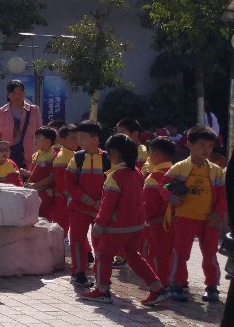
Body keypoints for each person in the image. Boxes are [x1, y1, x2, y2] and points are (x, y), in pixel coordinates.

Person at [79, 134, 170, 305]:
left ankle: (102, 290)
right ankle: (157, 288)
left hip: (116, 227)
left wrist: (99, 224)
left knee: (103, 255)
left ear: (114, 153)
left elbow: (108, 205)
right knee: (133, 256)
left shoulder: (114, 176)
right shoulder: (137, 173)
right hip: (135, 225)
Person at [167, 126, 229, 303]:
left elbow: (223, 196)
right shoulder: (179, 168)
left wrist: (218, 213)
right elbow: (164, 185)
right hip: (184, 217)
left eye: (209, 146)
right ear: (189, 145)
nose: (206, 150)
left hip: (209, 220)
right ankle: (177, 285)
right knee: (181, 253)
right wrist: (170, 196)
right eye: (202, 145)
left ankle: (212, 287)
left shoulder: (216, 171)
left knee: (210, 254)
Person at [63, 121, 107, 287]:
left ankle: (101, 274)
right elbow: (70, 183)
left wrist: (102, 201)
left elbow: (113, 183)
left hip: (101, 209)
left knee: (100, 243)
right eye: (77, 137)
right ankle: (78, 273)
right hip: (79, 207)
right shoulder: (77, 158)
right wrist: (85, 199)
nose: (79, 141)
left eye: (82, 137)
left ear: (95, 139)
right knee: (77, 240)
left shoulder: (108, 159)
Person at [142, 136, 178, 292]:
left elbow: (148, 205)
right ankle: (172, 282)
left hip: (157, 224)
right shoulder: (178, 174)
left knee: (156, 255)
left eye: (150, 153)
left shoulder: (153, 178)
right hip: (176, 221)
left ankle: (161, 286)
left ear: (156, 155)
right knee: (171, 254)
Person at [0, 81, 39, 167]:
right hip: (9, 153)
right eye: (13, 93)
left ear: (24, 93)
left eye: (20, 93)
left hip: (30, 153)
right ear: (8, 95)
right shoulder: (2, 111)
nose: (17, 96)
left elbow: (40, 131)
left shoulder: (34, 110)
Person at [27, 127, 59, 223]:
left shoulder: (53, 156)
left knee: (45, 218)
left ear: (48, 142)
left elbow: (52, 177)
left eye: (37, 137)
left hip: (45, 193)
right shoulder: (36, 154)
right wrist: (27, 173)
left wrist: (36, 185)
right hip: (34, 190)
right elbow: (34, 173)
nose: (34, 140)